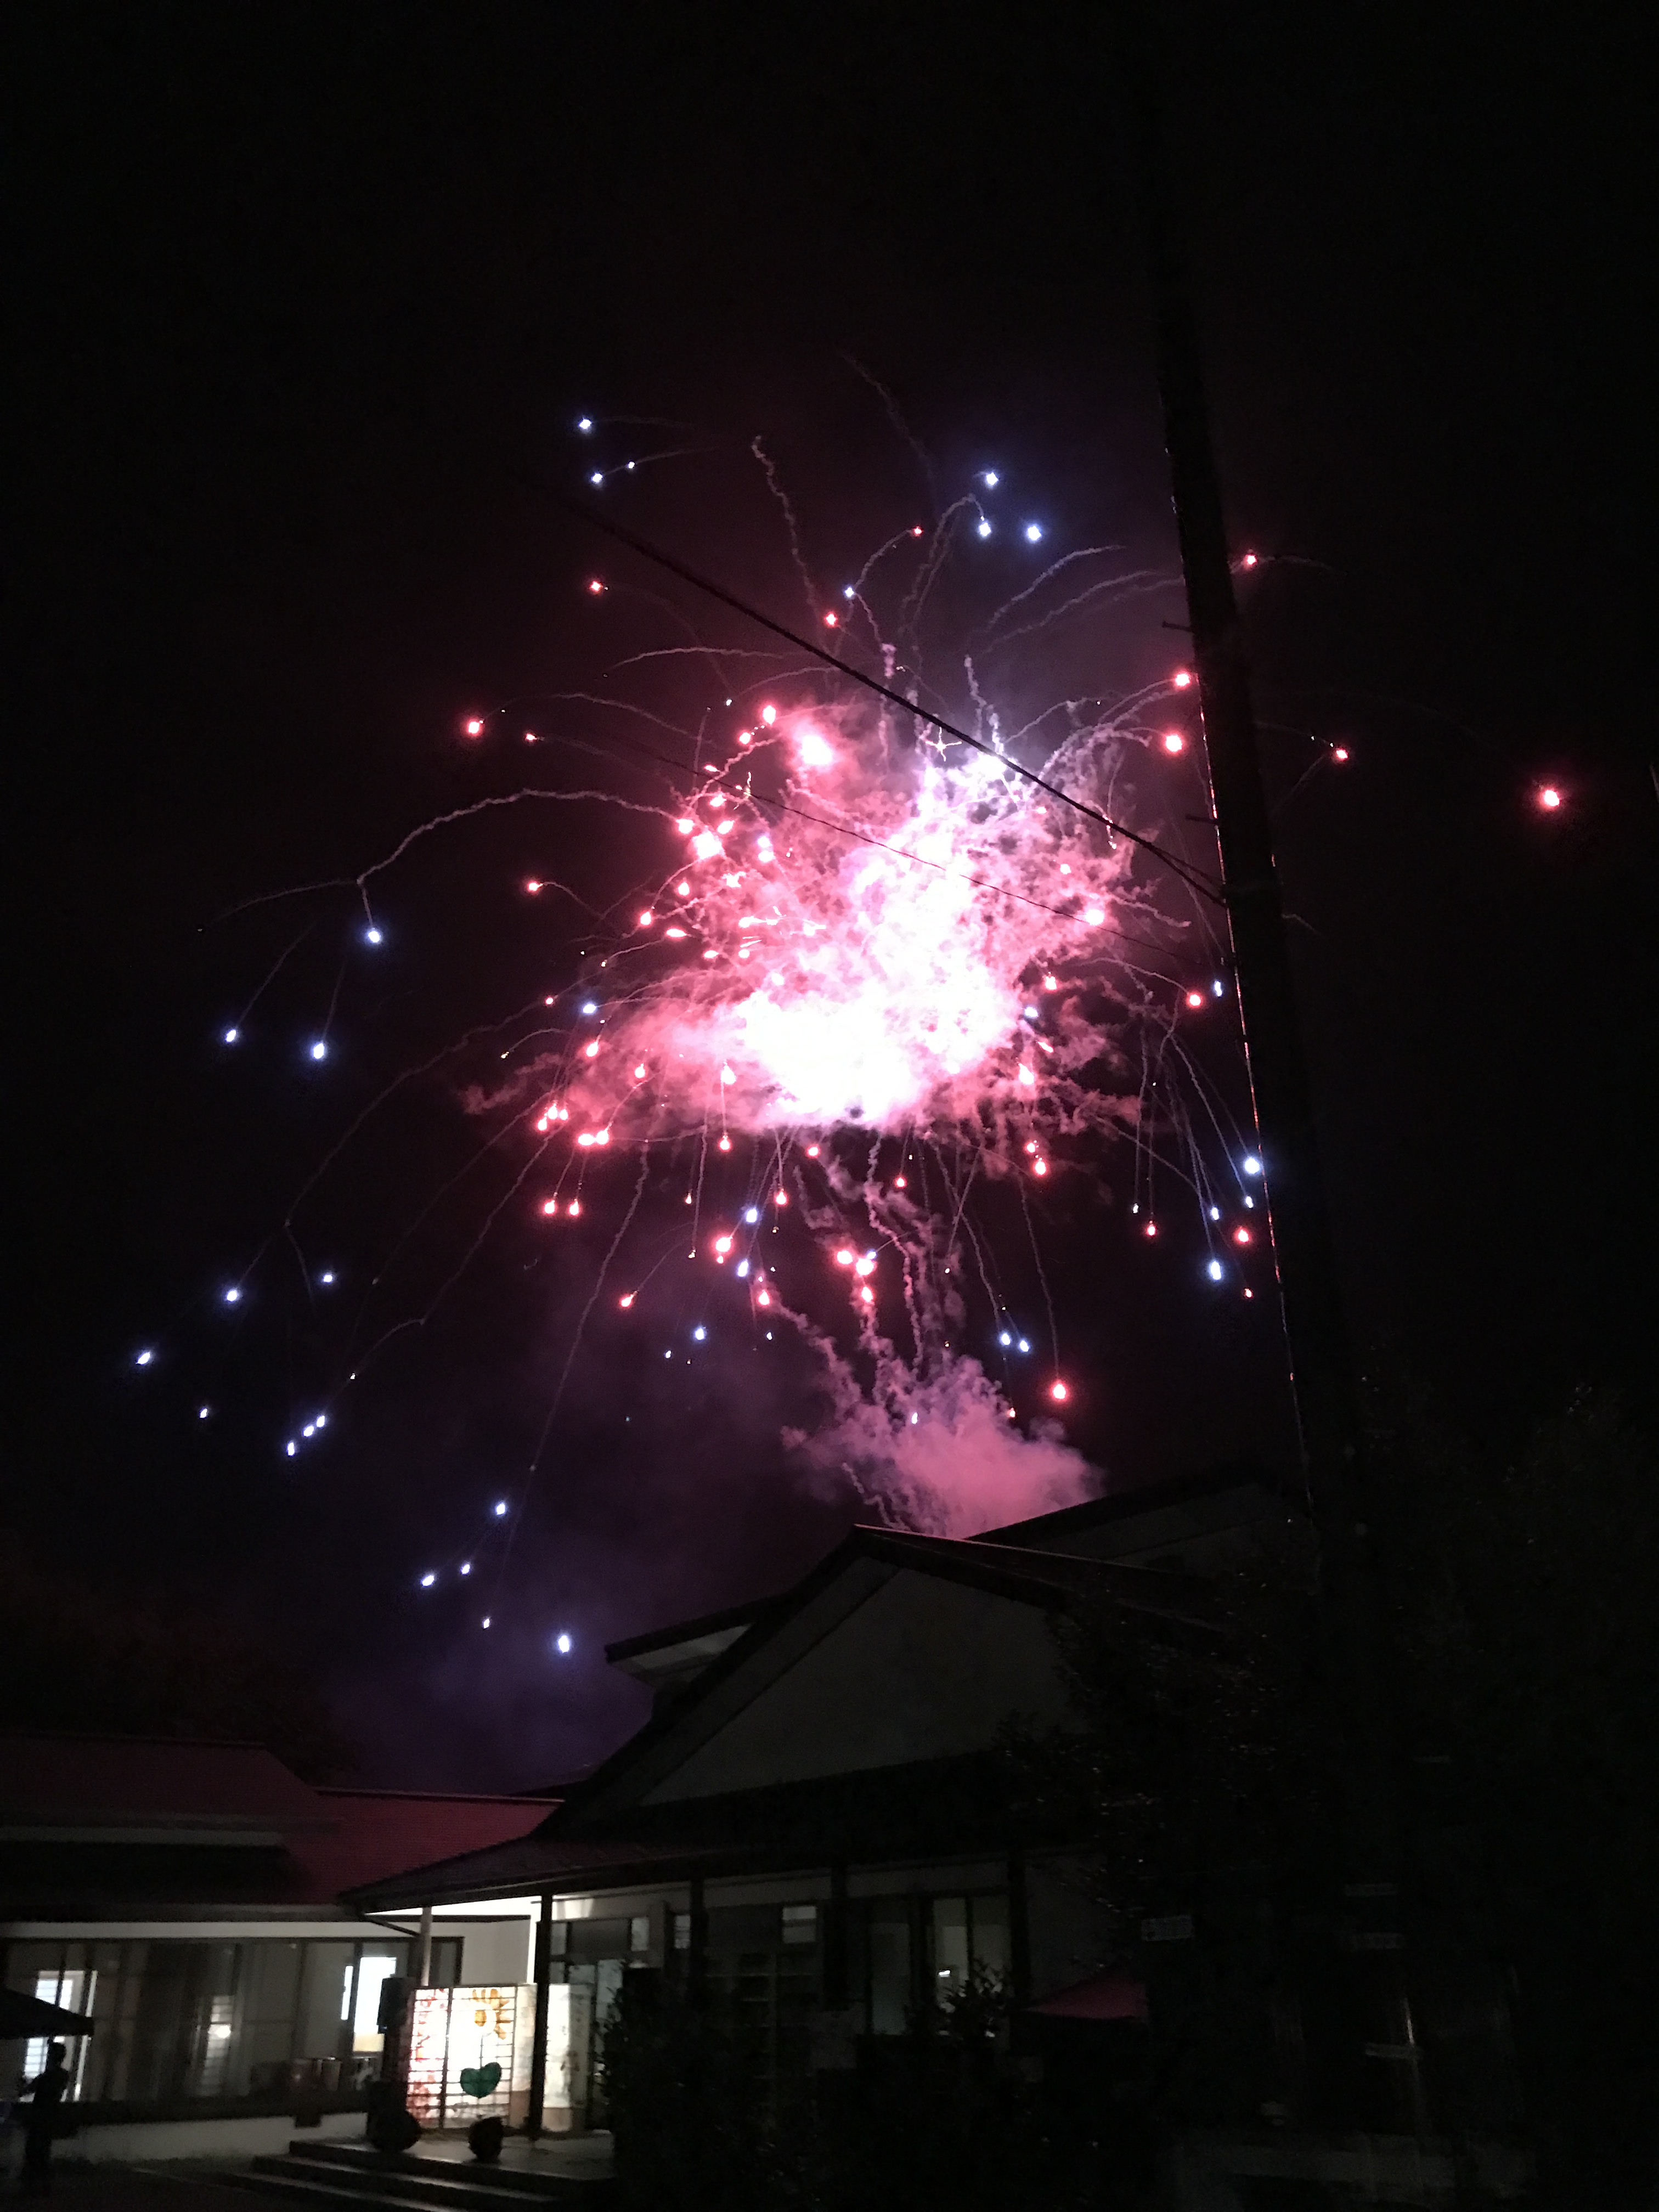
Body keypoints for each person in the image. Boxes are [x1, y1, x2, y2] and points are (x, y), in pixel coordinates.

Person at [21, 2043, 70, 2197]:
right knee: (43, 2151)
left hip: (39, 2118)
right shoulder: (63, 2076)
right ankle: (43, 2185)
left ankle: (32, 2185)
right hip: (51, 2118)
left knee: (33, 2151)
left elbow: (28, 2090)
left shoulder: (46, 2077)